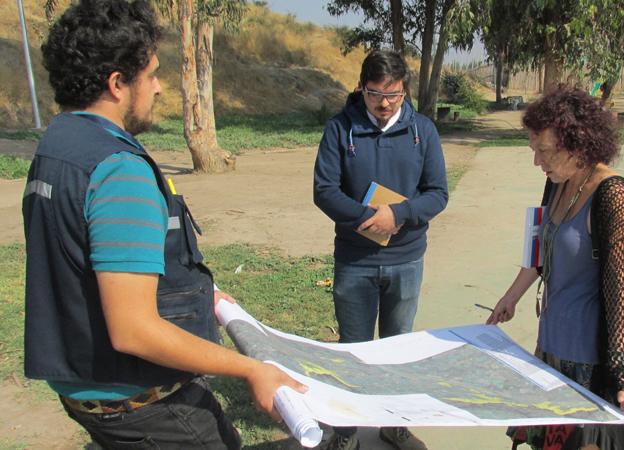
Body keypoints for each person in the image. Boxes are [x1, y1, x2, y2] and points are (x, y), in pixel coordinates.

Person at [22, 1, 305, 448]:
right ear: (117, 84)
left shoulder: (58, 145)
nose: (157, 88)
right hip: (148, 408)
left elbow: (85, 263)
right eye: (151, 75)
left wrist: (196, 292)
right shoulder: (119, 170)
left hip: (88, 390)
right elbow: (133, 329)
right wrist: (252, 368)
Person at [486, 86, 624, 450]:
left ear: (577, 144)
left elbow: (618, 282)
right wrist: (510, 297)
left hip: (587, 360)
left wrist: (621, 368)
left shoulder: (612, 193)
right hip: (551, 344)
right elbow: (540, 250)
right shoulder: (556, 183)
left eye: (544, 151)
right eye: (534, 150)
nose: (537, 161)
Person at [313, 49, 448, 450]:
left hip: (406, 260)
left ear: (404, 90)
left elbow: (437, 193)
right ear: (362, 88)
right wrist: (367, 218)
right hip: (354, 260)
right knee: (353, 349)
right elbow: (324, 191)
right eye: (376, 95)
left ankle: (393, 422)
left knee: (397, 347)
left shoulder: (423, 130)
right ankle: (348, 429)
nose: (386, 104)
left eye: (395, 95)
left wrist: (400, 214)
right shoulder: (341, 129)